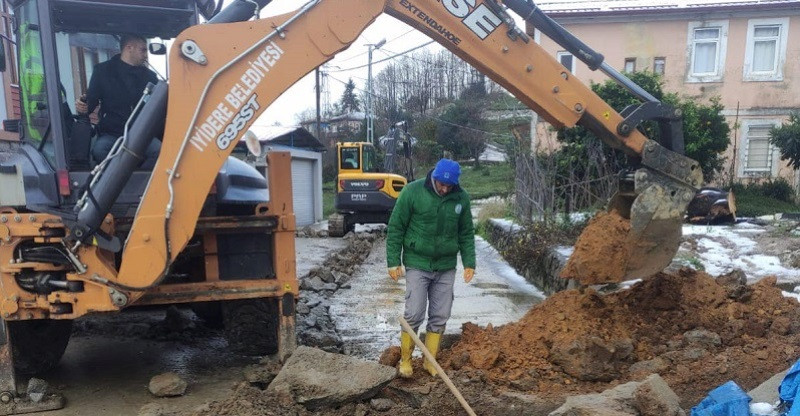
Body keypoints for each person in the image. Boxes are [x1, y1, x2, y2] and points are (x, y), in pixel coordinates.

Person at [386, 158, 476, 378]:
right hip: (417, 262)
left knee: (440, 315)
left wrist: (469, 262)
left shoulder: (461, 198)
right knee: (414, 312)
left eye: (449, 186)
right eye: (441, 184)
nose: (444, 189)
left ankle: (429, 361)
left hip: (446, 265)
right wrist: (393, 261)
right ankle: (406, 361)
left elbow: (466, 232)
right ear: (434, 177)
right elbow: (396, 227)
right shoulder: (412, 192)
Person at [75, 34, 160, 167]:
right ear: (129, 48)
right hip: (112, 133)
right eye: (142, 50)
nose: (145, 55)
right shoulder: (102, 71)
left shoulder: (150, 76)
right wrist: (82, 107)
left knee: (158, 150)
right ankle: (114, 184)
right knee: (99, 150)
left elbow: (159, 104)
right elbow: (90, 102)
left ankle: (140, 182)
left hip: (142, 133)